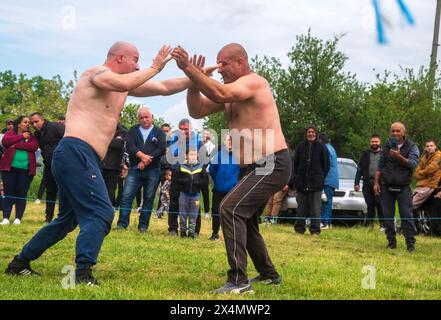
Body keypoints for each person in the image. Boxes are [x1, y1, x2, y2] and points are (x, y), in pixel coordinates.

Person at [5, 41, 194, 285]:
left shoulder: (123, 87)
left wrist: (195, 73)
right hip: (76, 152)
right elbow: (127, 81)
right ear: (119, 58)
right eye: (135, 59)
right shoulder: (95, 74)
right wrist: (155, 66)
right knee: (102, 212)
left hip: (81, 157)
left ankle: (19, 263)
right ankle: (83, 274)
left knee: (67, 220)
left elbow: (165, 87)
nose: (138, 65)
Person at [173, 43, 291, 294]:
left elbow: (220, 93)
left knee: (230, 208)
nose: (220, 69)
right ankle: (269, 275)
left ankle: (239, 281)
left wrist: (190, 69)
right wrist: (194, 81)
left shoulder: (254, 82)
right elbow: (197, 110)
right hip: (251, 167)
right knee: (245, 219)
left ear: (240, 62)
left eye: (224, 63)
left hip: (271, 162)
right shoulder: (230, 94)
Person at [116, 106, 166, 232]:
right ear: (138, 119)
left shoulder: (159, 132)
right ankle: (122, 224)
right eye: (141, 118)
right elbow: (130, 147)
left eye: (146, 117)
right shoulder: (132, 130)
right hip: (134, 169)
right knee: (127, 196)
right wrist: (143, 157)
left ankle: (143, 226)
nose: (144, 120)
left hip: (153, 170)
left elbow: (161, 149)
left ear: (152, 118)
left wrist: (147, 161)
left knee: (149, 198)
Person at [374, 122, 419, 253]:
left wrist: (399, 157)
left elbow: (413, 164)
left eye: (398, 131)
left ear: (403, 133)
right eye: (393, 131)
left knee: (406, 216)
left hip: (403, 186)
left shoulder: (412, 146)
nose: (395, 133)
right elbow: (380, 166)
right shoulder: (387, 145)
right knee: (387, 216)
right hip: (386, 186)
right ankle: (391, 241)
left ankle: (410, 243)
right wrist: (376, 183)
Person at [167, 119, 204, 236]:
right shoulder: (173, 139)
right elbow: (169, 156)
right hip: (178, 175)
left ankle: (195, 231)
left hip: (194, 175)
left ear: (191, 129)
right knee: (174, 202)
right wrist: (175, 168)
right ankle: (173, 229)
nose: (183, 131)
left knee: (195, 205)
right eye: (181, 129)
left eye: (186, 129)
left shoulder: (198, 139)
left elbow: (204, 158)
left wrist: (199, 172)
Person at [0, 116, 38, 226]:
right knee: (8, 193)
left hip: (26, 170)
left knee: (21, 193)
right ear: (18, 124)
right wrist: (21, 136)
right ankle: (6, 218)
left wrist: (16, 145)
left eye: (29, 123)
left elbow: (33, 147)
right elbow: (6, 142)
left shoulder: (32, 136)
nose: (28, 124)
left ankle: (18, 218)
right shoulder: (11, 133)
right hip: (9, 168)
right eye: (25, 122)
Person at [293, 125, 330, 236]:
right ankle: (299, 229)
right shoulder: (300, 147)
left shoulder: (322, 148)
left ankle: (315, 231)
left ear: (316, 133)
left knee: (315, 209)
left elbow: (326, 166)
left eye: (312, 132)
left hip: (316, 184)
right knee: (301, 209)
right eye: (309, 132)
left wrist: (320, 178)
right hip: (302, 183)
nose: (310, 134)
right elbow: (296, 164)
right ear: (306, 134)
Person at [30, 112, 65, 223]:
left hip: (63, 165)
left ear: (43, 119)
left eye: (36, 121)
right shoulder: (36, 134)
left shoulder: (56, 127)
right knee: (50, 191)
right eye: (32, 123)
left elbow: (69, 140)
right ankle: (48, 217)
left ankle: (63, 216)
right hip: (49, 166)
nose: (34, 124)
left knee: (64, 190)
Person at [209, 133, 240, 240]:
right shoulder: (219, 155)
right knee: (216, 211)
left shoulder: (240, 156)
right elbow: (212, 169)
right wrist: (218, 181)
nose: (230, 142)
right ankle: (215, 233)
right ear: (224, 142)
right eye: (228, 140)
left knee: (231, 213)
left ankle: (232, 235)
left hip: (233, 190)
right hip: (219, 188)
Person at [175, 148, 208, 238]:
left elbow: (205, 180)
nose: (193, 156)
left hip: (195, 195)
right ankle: (182, 231)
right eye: (191, 154)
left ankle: (191, 232)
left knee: (193, 215)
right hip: (183, 194)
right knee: (183, 213)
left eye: (195, 154)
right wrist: (184, 181)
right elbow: (176, 179)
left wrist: (198, 182)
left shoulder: (200, 166)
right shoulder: (181, 166)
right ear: (186, 156)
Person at [355, 134, 385, 228]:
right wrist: (356, 183)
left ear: (380, 142)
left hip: (381, 184)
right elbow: (359, 169)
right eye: (372, 141)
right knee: (370, 205)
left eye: (376, 141)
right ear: (370, 142)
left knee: (380, 204)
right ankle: (369, 225)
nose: (374, 143)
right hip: (367, 183)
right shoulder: (365, 154)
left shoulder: (384, 154)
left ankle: (383, 225)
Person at [102, 114, 127, 207]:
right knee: (95, 190)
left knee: (110, 192)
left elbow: (119, 145)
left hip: (113, 167)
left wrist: (105, 140)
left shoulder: (123, 132)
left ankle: (106, 215)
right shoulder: (101, 128)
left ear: (119, 118)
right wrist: (114, 140)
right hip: (98, 164)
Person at [412, 140, 441, 211]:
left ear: (435, 147)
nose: (429, 147)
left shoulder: (439, 156)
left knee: (411, 204)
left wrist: (421, 174)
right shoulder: (424, 157)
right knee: (408, 201)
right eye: (427, 146)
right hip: (422, 185)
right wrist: (424, 174)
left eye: (431, 146)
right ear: (425, 148)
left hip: (431, 184)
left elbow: (430, 169)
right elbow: (416, 173)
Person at [318, 132, 338, 229]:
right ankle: (328, 223)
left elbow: (325, 165)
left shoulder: (325, 149)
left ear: (320, 140)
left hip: (327, 180)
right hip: (332, 180)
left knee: (325, 202)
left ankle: (324, 222)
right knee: (328, 201)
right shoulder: (331, 148)